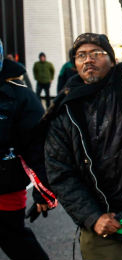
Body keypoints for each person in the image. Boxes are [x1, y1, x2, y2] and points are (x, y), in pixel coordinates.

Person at [43, 33, 122, 260]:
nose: (88, 60)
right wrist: (92, 217)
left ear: (112, 59)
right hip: (99, 212)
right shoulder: (64, 110)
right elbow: (60, 171)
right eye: (81, 56)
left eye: (95, 53)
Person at [0, 39, 53, 260]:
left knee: (14, 240)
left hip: (6, 187)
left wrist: (44, 189)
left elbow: (38, 145)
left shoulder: (19, 95)